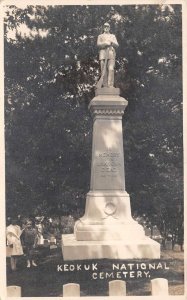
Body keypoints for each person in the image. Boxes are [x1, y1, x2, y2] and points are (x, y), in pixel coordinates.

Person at [97, 22, 119, 88]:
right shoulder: (100, 36)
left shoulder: (112, 36)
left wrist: (112, 42)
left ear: (109, 28)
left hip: (110, 53)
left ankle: (110, 85)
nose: (106, 28)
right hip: (103, 53)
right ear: (103, 28)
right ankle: (105, 86)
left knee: (111, 69)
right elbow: (98, 44)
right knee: (103, 70)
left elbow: (117, 45)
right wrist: (105, 43)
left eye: (107, 27)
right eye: (105, 27)